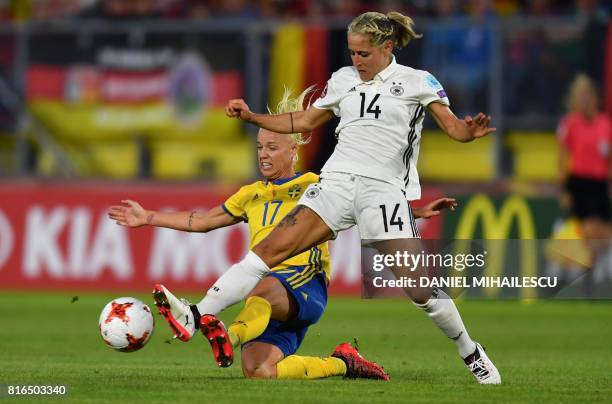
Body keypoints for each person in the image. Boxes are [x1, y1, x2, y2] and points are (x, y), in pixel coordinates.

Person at [143, 11, 501, 384]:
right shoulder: (342, 80)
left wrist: (468, 132)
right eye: (352, 53)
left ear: (388, 47)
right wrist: (253, 118)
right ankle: (196, 315)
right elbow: (303, 122)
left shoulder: (417, 81)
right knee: (268, 251)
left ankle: (470, 350)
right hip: (335, 183)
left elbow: (454, 128)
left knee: (419, 288)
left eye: (364, 53)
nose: (356, 61)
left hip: (383, 191)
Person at [110, 88, 411, 380]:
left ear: (293, 150)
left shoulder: (315, 184)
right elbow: (202, 221)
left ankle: (227, 334)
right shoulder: (250, 194)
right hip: (268, 299)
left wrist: (413, 213)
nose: (263, 155)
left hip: (304, 283)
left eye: (272, 147)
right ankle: (344, 363)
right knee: (260, 371)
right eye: (259, 148)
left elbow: (363, 203)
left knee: (260, 286)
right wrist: (148, 216)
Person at [556, 73, 611, 271]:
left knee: (603, 235)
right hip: (579, 182)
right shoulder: (570, 124)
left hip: (599, 182)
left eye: (587, 95)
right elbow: (562, 159)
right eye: (580, 96)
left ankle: (591, 271)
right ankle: (585, 275)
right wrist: (564, 190)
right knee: (588, 230)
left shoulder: (605, 124)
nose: (585, 100)